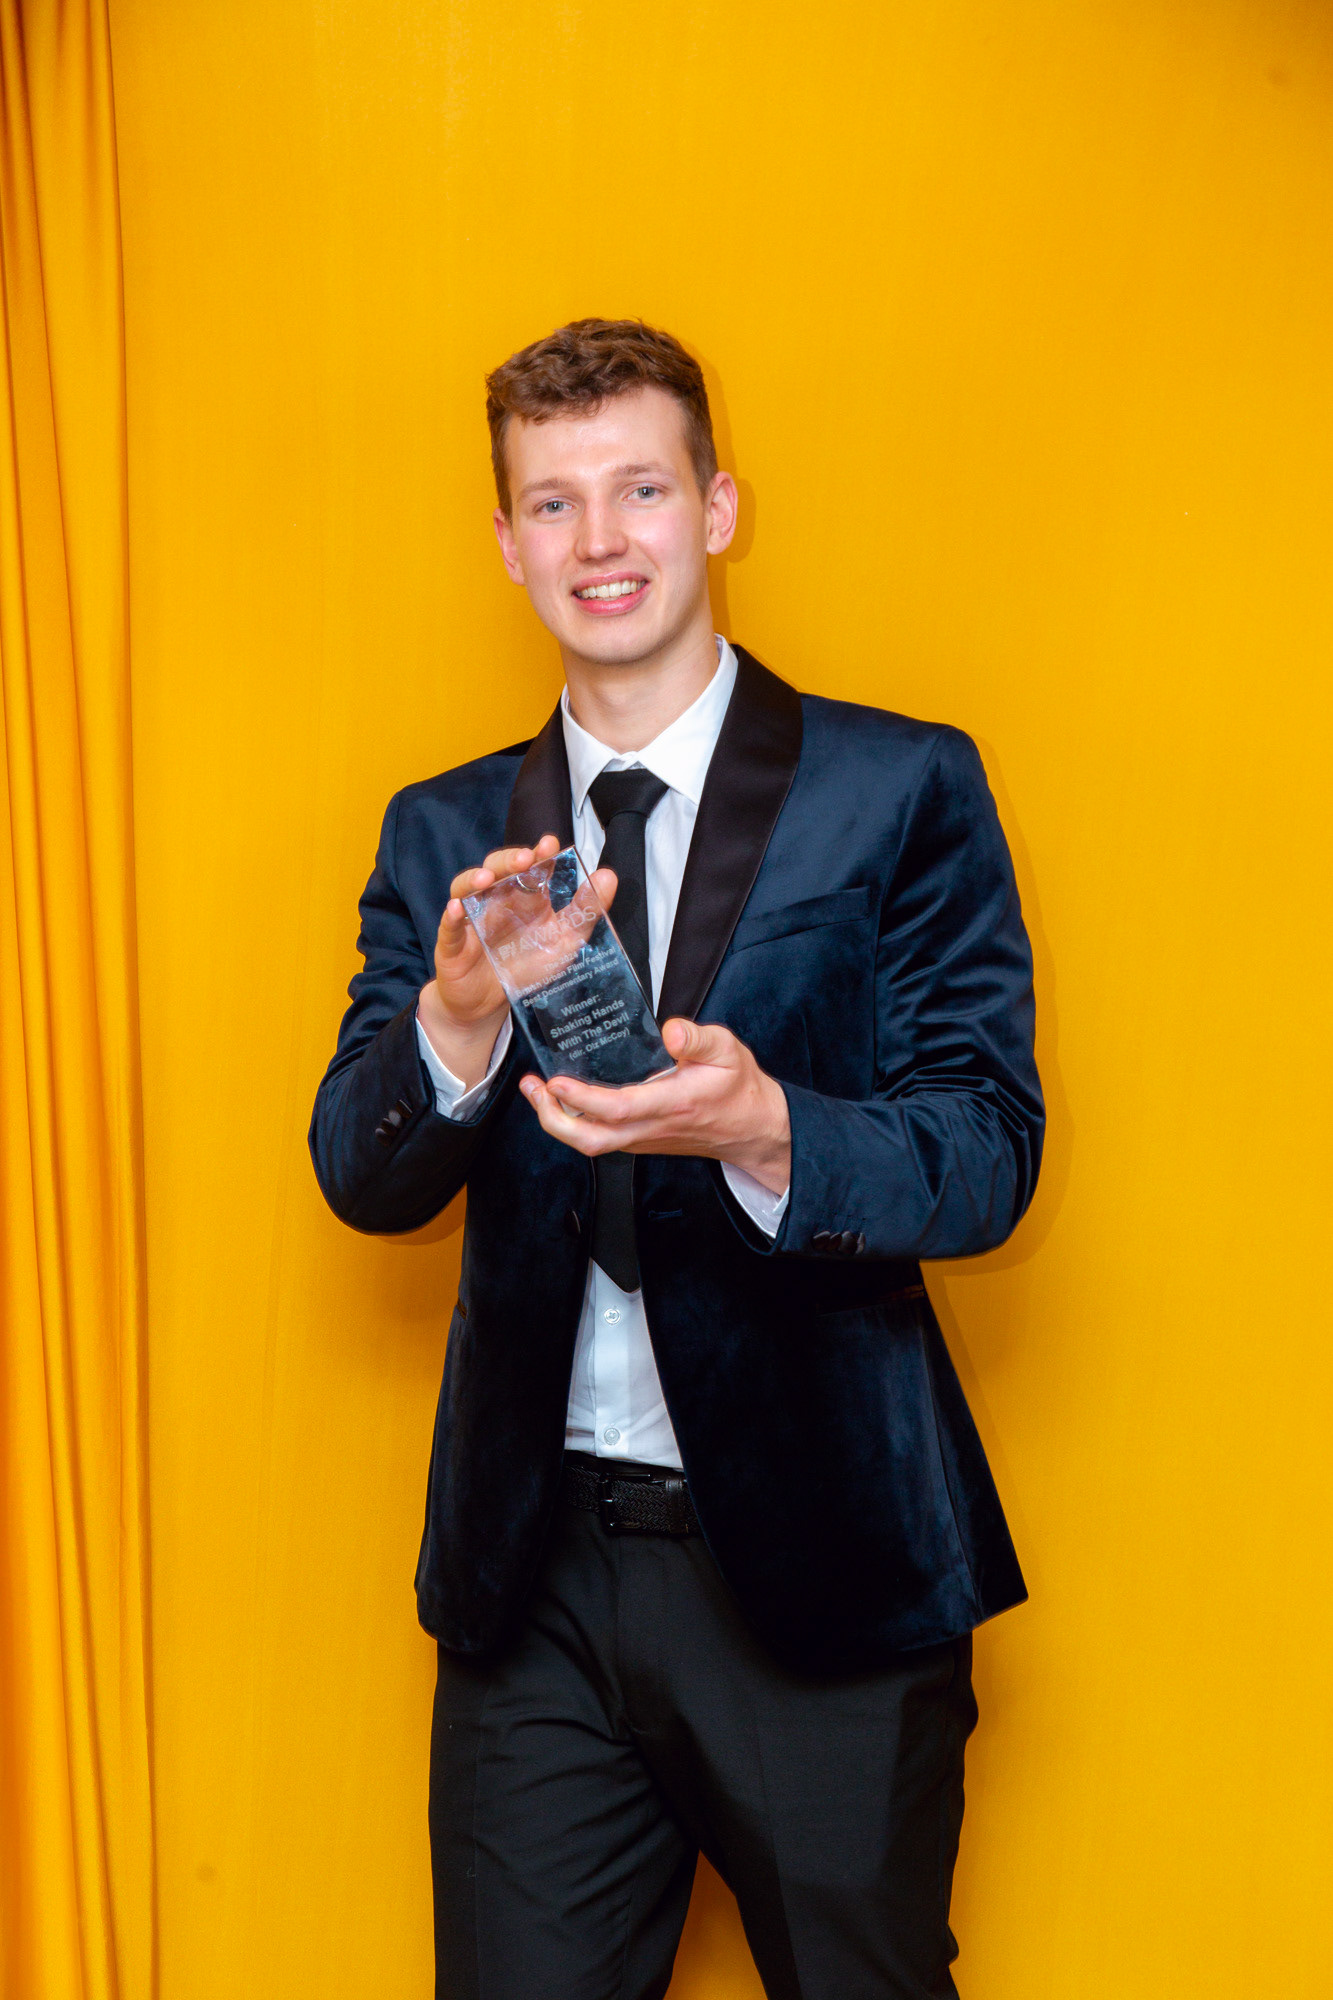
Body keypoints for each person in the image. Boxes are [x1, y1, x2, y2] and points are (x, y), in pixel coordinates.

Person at [310, 318, 1044, 2000]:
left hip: (826, 1568)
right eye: (553, 505)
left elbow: (987, 1153)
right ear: (506, 544)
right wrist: (458, 1028)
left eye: (638, 489)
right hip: (533, 1583)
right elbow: (365, 1177)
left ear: (717, 507)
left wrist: (766, 1129)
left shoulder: (900, 786)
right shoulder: (443, 833)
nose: (599, 541)